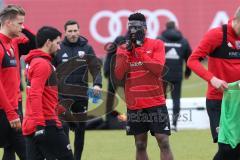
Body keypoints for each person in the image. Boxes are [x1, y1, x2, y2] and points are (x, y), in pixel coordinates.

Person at [115, 12, 174, 160]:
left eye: (137, 27)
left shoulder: (157, 44)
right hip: (135, 104)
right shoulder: (123, 48)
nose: (133, 31)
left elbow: (158, 69)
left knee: (164, 141)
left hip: (156, 102)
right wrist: (127, 53)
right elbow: (119, 75)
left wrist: (140, 49)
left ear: (145, 28)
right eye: (131, 28)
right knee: (140, 144)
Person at [187, 6, 240, 160]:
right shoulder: (217, 35)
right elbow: (192, 60)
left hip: (238, 101)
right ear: (236, 20)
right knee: (227, 148)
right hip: (218, 101)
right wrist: (212, 79)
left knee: (236, 149)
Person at [22, 26, 74, 160]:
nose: (59, 47)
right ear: (48, 42)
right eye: (57, 43)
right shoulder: (42, 64)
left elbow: (45, 95)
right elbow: (35, 94)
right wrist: (40, 125)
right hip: (46, 123)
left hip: (32, 124)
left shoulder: (35, 61)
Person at [53, 20, 102, 160]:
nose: (73, 34)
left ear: (79, 31)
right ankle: (66, 157)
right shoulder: (59, 48)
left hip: (81, 96)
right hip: (62, 96)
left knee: (80, 130)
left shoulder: (87, 48)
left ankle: (77, 158)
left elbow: (96, 68)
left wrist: (97, 84)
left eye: (75, 31)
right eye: (70, 31)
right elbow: (50, 70)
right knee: (64, 128)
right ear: (65, 33)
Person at [0, 4, 28, 160]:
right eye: (20, 23)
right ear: (8, 23)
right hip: (4, 112)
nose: (22, 27)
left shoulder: (12, 43)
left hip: (13, 109)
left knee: (15, 151)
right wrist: (11, 113)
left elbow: (34, 39)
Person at [157, 21, 192, 131]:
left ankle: (163, 124)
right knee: (176, 99)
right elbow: (189, 58)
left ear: (165, 27)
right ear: (176, 28)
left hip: (163, 75)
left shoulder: (160, 39)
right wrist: (187, 72)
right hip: (177, 75)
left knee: (161, 99)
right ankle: (174, 124)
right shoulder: (183, 41)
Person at [104, 35, 126, 128]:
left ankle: (130, 116)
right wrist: (107, 73)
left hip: (122, 77)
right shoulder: (112, 50)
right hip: (113, 77)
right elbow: (107, 62)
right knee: (110, 96)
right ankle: (108, 117)